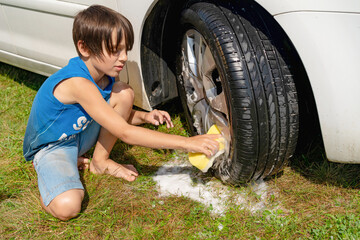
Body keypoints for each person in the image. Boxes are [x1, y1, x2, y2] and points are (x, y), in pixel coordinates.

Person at [22, 5, 220, 221]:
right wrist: (188, 143)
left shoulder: (105, 75)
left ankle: (100, 162)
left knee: (124, 93)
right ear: (85, 48)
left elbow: (109, 115)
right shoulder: (78, 83)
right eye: (115, 50)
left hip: (80, 133)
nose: (124, 57)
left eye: (126, 49)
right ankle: (46, 171)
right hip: (54, 145)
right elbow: (124, 132)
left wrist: (145, 116)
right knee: (68, 207)